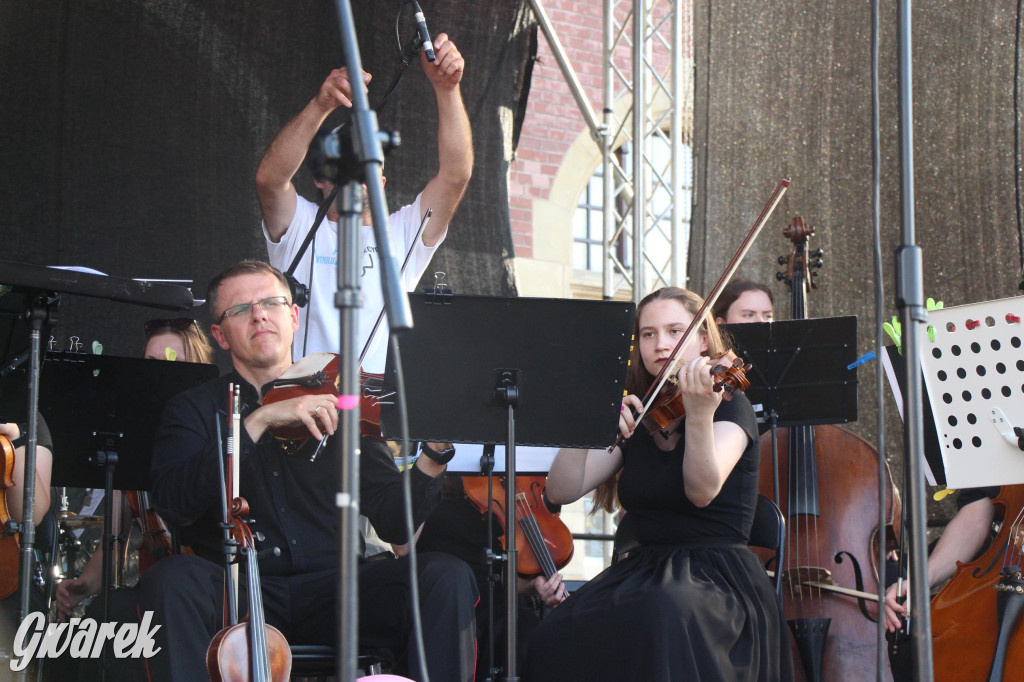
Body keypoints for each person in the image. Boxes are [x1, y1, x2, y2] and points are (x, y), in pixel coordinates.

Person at [137, 260, 476, 681]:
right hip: (240, 591)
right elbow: (174, 504)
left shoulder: (340, 401)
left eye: (270, 303)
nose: (259, 314)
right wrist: (257, 422)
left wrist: (434, 456)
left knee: (444, 576)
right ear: (220, 336)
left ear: (293, 316)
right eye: (240, 309)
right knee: (171, 580)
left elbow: (395, 520)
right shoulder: (193, 408)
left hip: (339, 594)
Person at [525, 287, 791, 681]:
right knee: (556, 631)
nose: (661, 344)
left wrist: (700, 416)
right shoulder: (644, 412)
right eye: (648, 334)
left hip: (715, 577)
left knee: (662, 613)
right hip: (645, 571)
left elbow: (702, 491)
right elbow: (561, 491)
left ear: (703, 338)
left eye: (674, 331)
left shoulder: (730, 405)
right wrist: (585, 425)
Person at [255, 33, 472, 372]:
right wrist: (321, 105)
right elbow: (270, 180)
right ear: (319, 177)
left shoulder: (403, 232)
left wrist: (447, 91)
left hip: (378, 412)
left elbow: (456, 175)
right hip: (302, 406)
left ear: (381, 181)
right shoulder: (301, 224)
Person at [55, 317, 215, 620]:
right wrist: (84, 585)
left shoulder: (215, 436)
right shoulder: (131, 443)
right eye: (150, 362)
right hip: (158, 591)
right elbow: (112, 540)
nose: (158, 373)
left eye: (171, 363)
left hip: (210, 588)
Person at [415, 472, 566, 680]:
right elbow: (402, 546)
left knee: (531, 639)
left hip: (502, 602)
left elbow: (511, 579)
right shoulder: (434, 477)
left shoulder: (522, 488)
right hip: (442, 598)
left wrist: (535, 583)